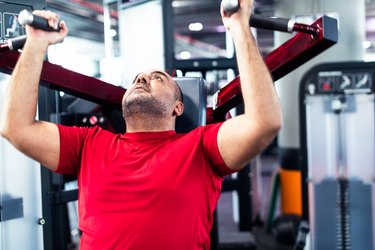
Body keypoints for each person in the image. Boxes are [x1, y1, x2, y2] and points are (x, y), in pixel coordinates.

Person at [0, 0, 282, 249]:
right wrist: (35, 44)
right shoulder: (88, 144)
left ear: (177, 107)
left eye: (157, 77)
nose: (142, 79)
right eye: (138, 78)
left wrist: (240, 29)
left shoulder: (201, 147)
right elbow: (16, 127)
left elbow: (264, 121)